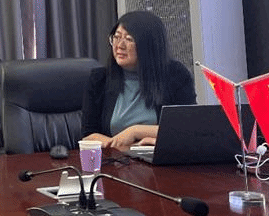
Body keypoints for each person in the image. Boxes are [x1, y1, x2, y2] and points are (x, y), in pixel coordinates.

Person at [81, 11, 197, 150]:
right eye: (116, 37)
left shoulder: (175, 75)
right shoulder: (99, 79)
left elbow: (187, 127)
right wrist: (126, 148)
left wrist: (136, 131)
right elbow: (88, 135)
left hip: (162, 158)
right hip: (116, 159)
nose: (119, 46)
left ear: (149, 45)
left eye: (129, 39)